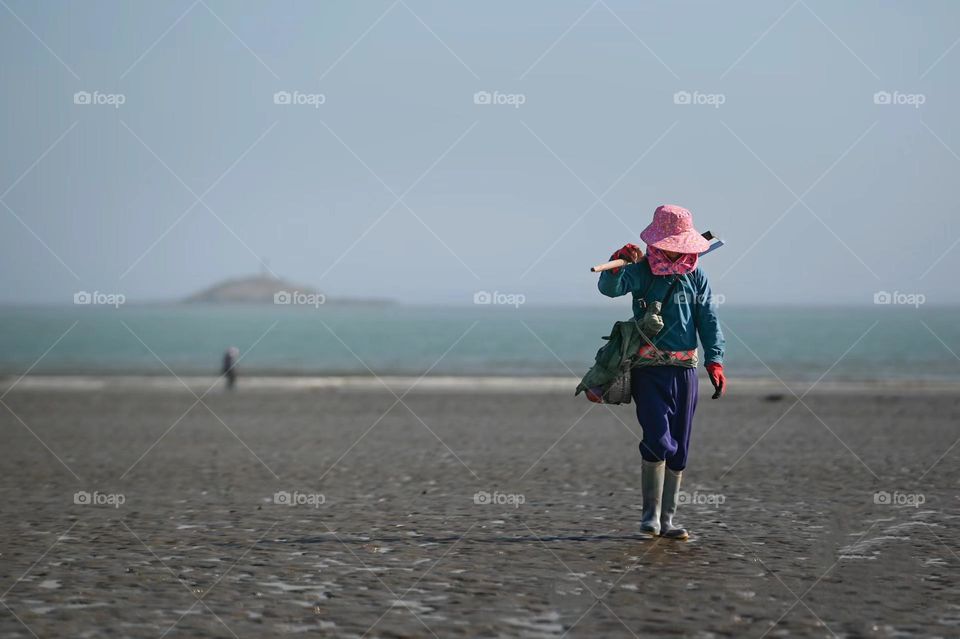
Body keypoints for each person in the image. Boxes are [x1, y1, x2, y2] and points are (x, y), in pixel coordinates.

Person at [596, 204, 726, 540]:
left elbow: (708, 320)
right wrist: (614, 263)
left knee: (680, 447)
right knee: (658, 439)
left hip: (684, 370)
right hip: (648, 368)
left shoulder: (695, 275)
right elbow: (610, 290)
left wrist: (715, 359)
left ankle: (668, 520)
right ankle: (649, 517)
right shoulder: (640, 270)